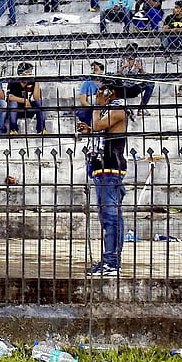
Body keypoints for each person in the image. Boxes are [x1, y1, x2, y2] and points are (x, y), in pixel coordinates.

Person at [76, 81, 128, 277]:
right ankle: (109, 259)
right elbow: (101, 130)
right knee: (107, 217)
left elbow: (99, 125)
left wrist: (97, 105)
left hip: (110, 168)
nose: (99, 93)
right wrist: (89, 130)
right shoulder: (109, 110)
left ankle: (112, 263)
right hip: (101, 167)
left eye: (102, 90)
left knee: (111, 217)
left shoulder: (119, 109)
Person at [6, 62, 46, 134]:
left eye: (30, 72)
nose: (30, 74)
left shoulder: (32, 82)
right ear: (21, 74)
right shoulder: (13, 82)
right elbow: (9, 97)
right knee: (13, 104)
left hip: (29, 108)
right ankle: (13, 130)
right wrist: (24, 100)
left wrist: (36, 82)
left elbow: (36, 98)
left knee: (39, 103)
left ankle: (41, 129)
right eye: (27, 72)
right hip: (17, 110)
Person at [76, 61, 104, 125]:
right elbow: (83, 101)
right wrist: (93, 109)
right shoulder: (86, 83)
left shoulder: (105, 82)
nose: (93, 72)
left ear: (101, 71)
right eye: (92, 69)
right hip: (90, 109)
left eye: (96, 70)